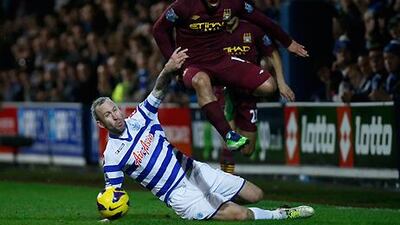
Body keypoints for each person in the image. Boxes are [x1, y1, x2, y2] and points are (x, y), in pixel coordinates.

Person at [91, 48, 314, 220]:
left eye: (114, 109)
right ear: (101, 124)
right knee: (240, 215)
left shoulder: (141, 117)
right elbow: (114, 192)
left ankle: (218, 203)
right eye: (108, 116)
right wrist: (111, 216)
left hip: (196, 171)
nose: (116, 116)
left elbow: (158, 90)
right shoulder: (112, 155)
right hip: (179, 195)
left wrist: (168, 68)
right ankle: (281, 215)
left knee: (256, 194)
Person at [153, 0, 308, 152]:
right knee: (201, 81)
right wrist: (173, 59)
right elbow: (159, 30)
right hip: (193, 65)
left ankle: (232, 94)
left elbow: (264, 21)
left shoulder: (233, 3)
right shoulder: (183, 6)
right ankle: (228, 135)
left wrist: (288, 42)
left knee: (269, 86)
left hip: (222, 62)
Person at [218, 20, 294, 173]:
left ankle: (236, 130)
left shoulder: (253, 30)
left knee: (248, 150)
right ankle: (226, 182)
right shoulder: (216, 31)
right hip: (225, 89)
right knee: (229, 137)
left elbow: (272, 53)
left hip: (248, 93)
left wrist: (281, 82)